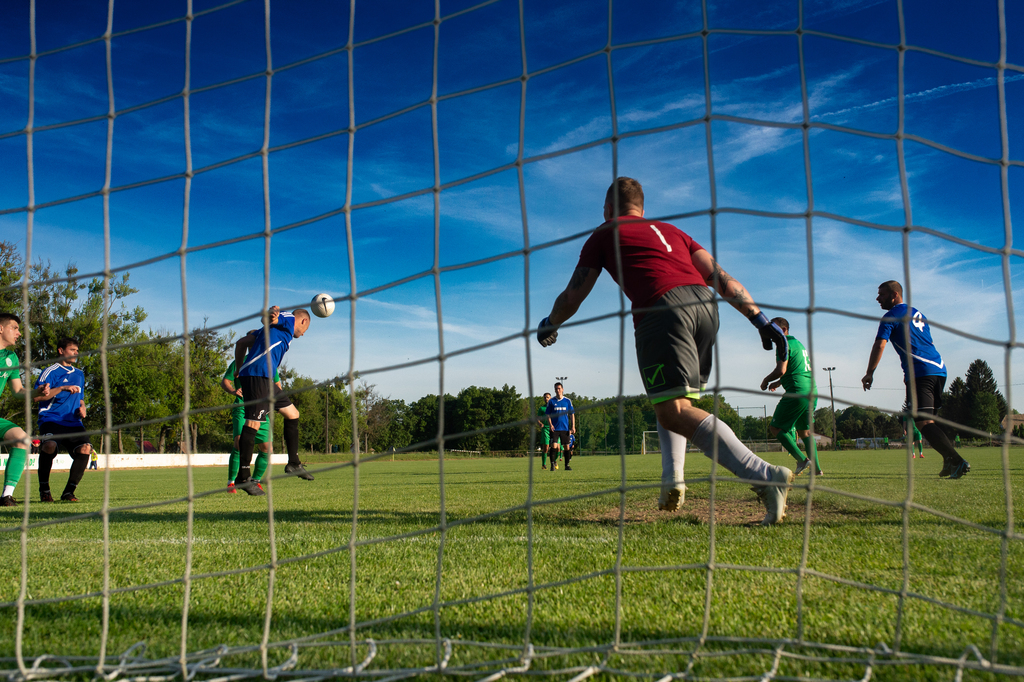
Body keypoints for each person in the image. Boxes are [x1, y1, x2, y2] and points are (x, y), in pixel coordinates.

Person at [537, 177, 794, 524]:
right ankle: (672, 479)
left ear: (608, 208)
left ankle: (764, 476)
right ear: (643, 209)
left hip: (662, 309)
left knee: (672, 408)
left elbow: (573, 296)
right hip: (707, 307)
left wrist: (550, 322)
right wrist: (760, 320)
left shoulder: (604, 232)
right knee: (673, 403)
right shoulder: (674, 232)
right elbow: (724, 279)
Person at [861, 280, 968, 478]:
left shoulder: (891, 316)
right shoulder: (918, 314)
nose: (877, 299)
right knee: (927, 421)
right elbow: (929, 341)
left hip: (920, 371)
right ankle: (948, 462)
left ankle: (957, 461)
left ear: (894, 295)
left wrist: (870, 372)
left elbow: (880, 345)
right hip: (939, 369)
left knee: (923, 422)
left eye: (881, 295)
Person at [233, 307, 313, 495]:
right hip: (258, 375)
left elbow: (241, 342)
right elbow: (273, 318)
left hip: (264, 377)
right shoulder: (289, 319)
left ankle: (294, 463)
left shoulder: (269, 333)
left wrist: (239, 369)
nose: (303, 334)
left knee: (292, 414)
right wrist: (272, 314)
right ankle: (243, 478)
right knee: (253, 423)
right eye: (306, 330)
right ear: (303, 321)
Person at [0, 313, 52, 507]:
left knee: (21, 438)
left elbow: (18, 391)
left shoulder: (11, 358)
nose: (19, 333)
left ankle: (6, 496)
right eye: (15, 328)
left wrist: (36, 391)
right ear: (1, 328)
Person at [760, 318, 822, 477]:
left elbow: (781, 369)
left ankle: (802, 460)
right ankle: (816, 470)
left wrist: (767, 380)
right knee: (805, 432)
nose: (772, 335)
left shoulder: (783, 343)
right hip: (811, 390)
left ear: (784, 329)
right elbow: (794, 369)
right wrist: (779, 382)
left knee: (776, 428)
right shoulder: (798, 344)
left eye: (774, 330)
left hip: (797, 390)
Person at [34, 338, 93, 502]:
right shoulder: (50, 372)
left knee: (85, 449)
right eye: (72, 350)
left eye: (77, 350)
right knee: (49, 446)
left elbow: (80, 398)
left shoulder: (79, 374)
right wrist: (61, 388)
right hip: (51, 419)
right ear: (61, 351)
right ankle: (44, 490)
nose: (76, 353)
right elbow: (37, 398)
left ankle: (68, 492)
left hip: (73, 422)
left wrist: (83, 407)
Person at [221, 356, 279, 493]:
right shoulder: (240, 362)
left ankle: (255, 481)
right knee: (239, 444)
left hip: (261, 409)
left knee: (267, 448)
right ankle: (232, 483)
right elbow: (225, 382)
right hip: (242, 407)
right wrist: (233, 391)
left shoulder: (270, 363)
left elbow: (277, 385)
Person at [545, 382, 575, 471]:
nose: (558, 390)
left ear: (562, 389)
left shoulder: (567, 401)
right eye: (556, 389)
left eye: (559, 388)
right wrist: (550, 425)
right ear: (554, 390)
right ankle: (552, 465)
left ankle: (567, 465)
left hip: (565, 428)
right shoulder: (551, 401)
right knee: (553, 446)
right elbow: (548, 415)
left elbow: (572, 414)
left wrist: (573, 426)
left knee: (567, 447)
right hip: (555, 428)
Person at [536, 392, 552, 470]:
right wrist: (539, 423)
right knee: (546, 447)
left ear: (550, 398)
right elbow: (537, 418)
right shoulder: (542, 408)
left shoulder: (554, 407)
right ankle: (544, 464)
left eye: (548, 397)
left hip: (554, 429)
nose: (546, 399)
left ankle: (555, 461)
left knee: (558, 448)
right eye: (545, 397)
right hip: (545, 428)